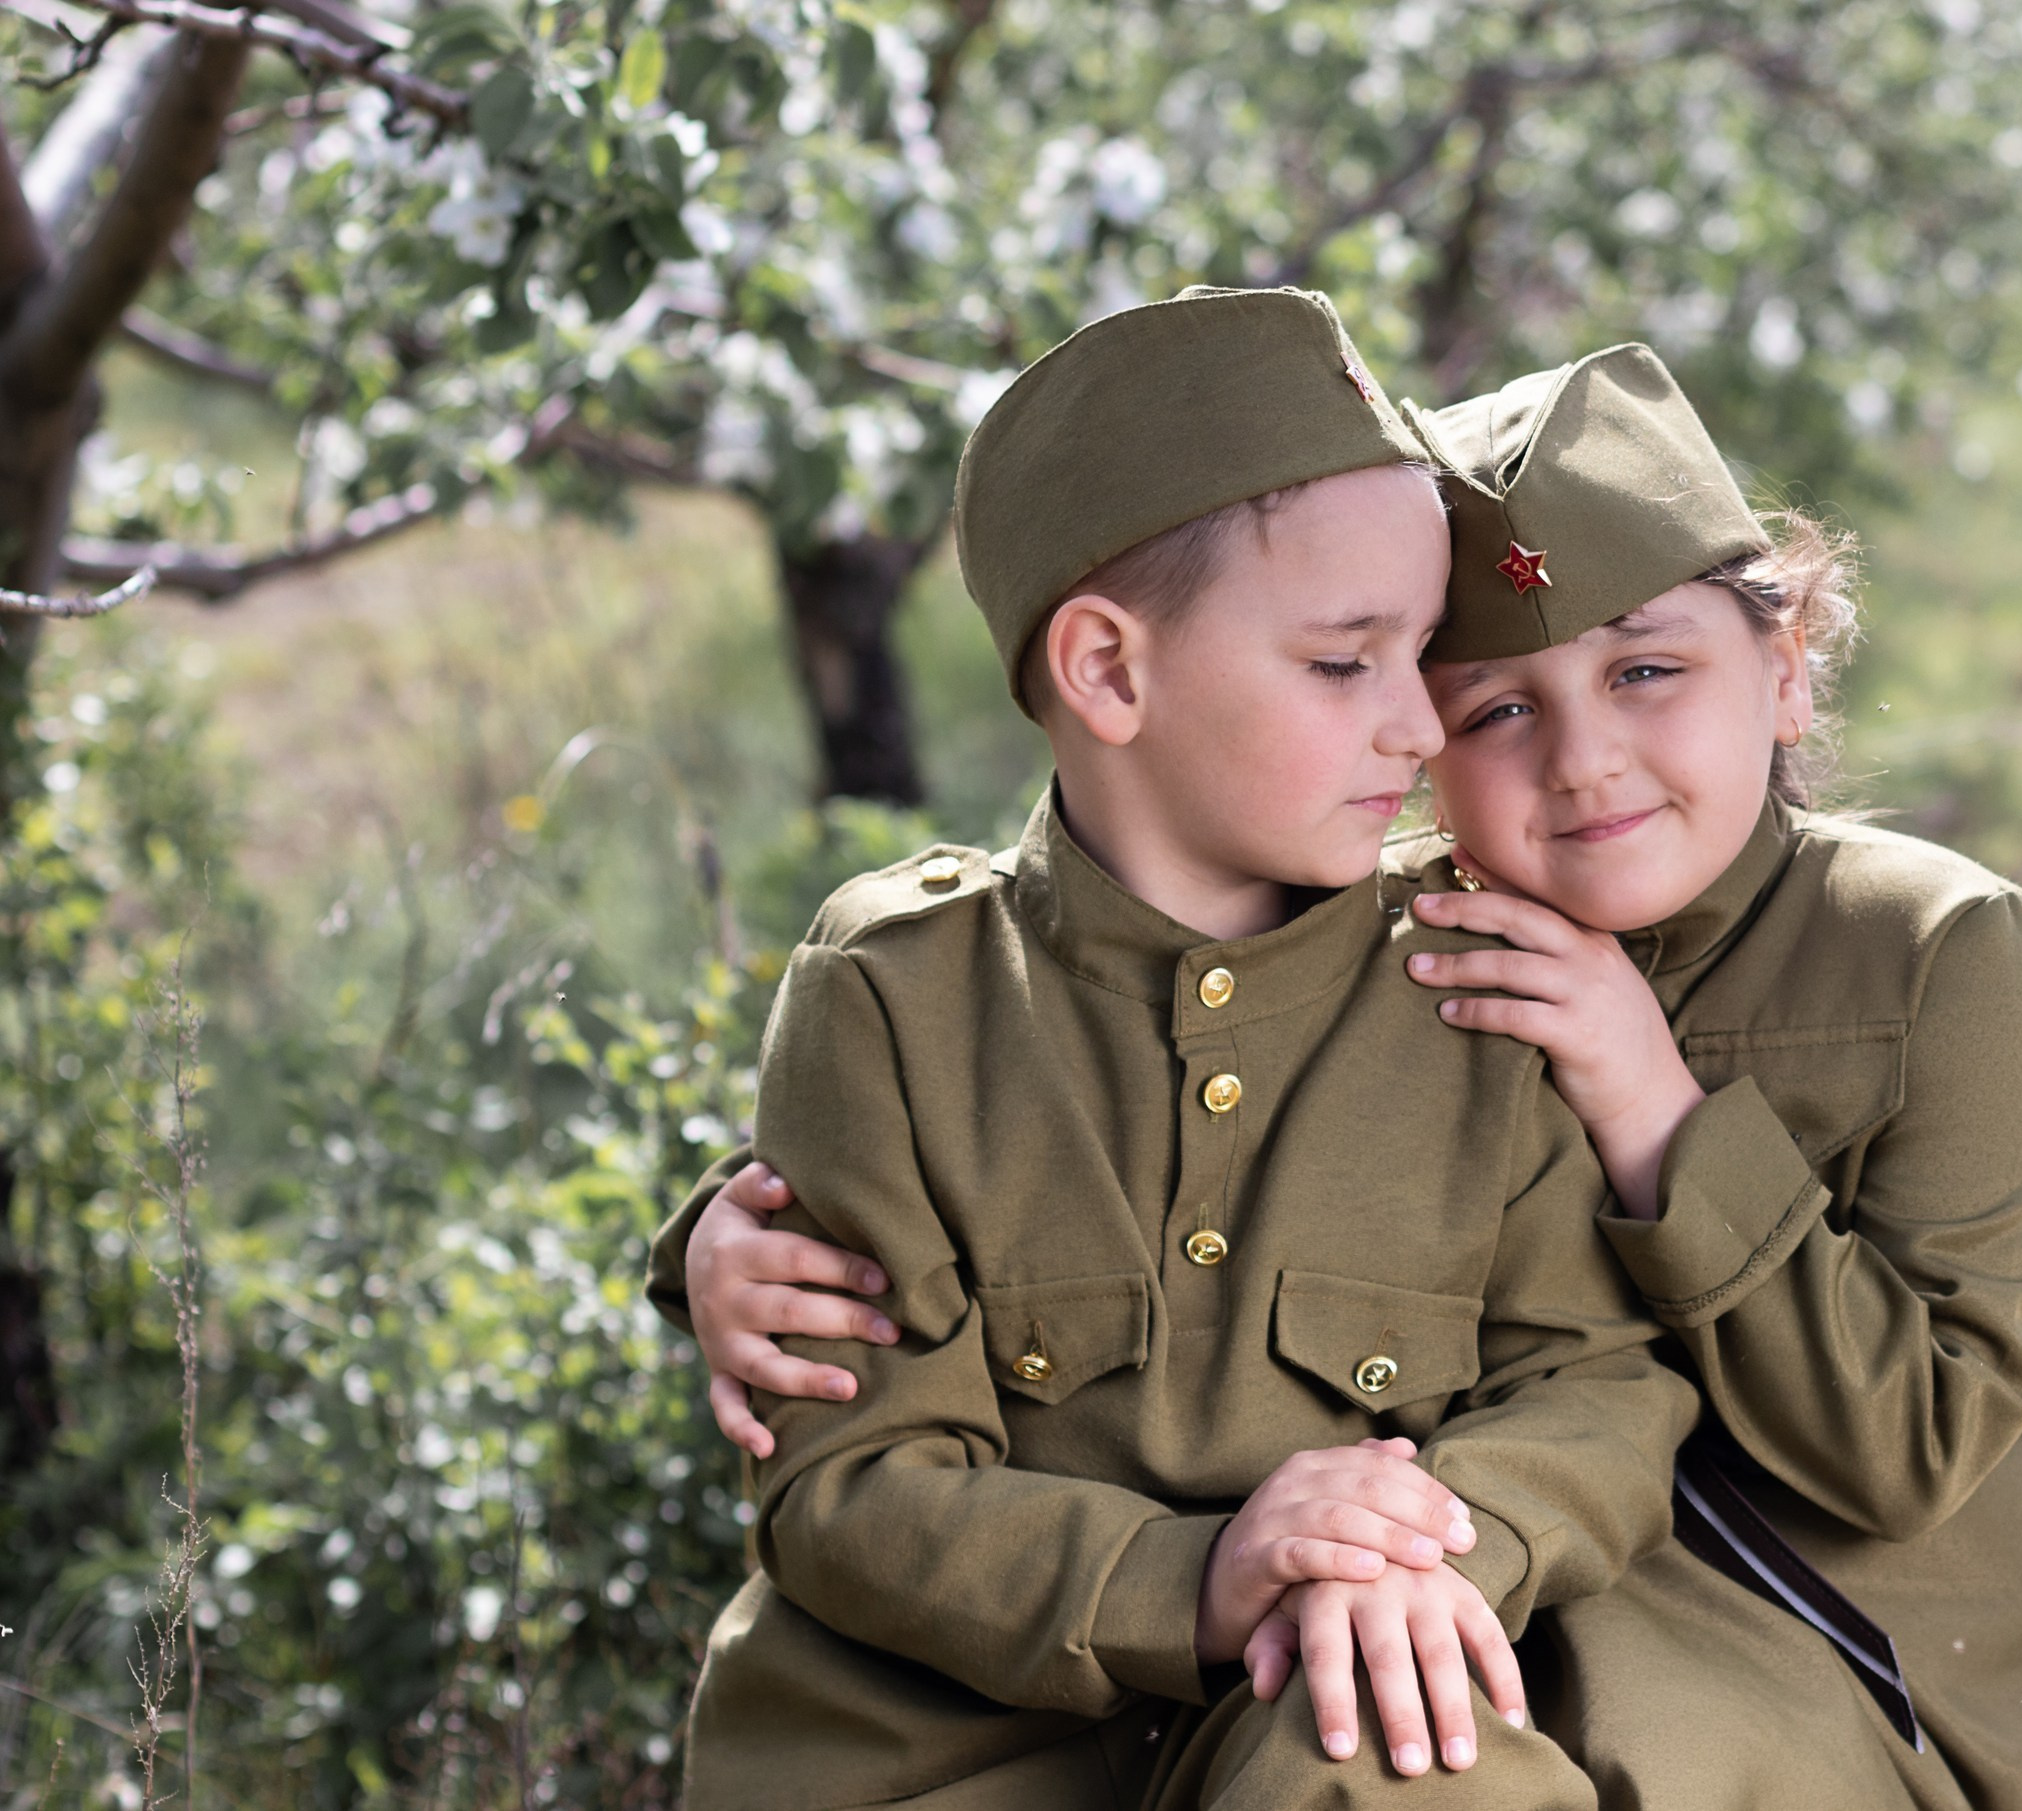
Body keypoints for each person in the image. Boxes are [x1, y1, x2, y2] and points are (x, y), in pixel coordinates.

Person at [667, 342, 2022, 1811]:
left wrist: (1650, 1098)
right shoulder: (1428, 929)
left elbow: (1894, 1444)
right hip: (1563, 1606)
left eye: (1647, 673)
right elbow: (1044, 1055)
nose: (1585, 762)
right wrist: (721, 1241)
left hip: (1921, 1592)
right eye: (1487, 709)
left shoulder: (1925, 952)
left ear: (1784, 668)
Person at [666, 286, 1701, 1811]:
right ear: (1108, 673)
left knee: (1427, 1781)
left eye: (1423, 655)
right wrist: (1199, 1578)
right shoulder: (900, 1000)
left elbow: (1598, 1381)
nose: (1420, 726)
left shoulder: (1474, 974)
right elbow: (850, 1486)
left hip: (1337, 1715)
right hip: (941, 1758)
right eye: (1345, 663)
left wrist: (1431, 1551)